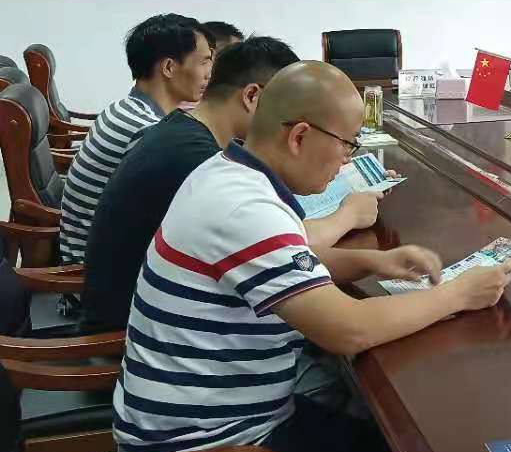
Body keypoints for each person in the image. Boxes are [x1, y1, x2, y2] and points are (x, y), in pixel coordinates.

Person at [112, 60, 511, 452]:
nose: (348, 159)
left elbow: (287, 258)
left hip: (216, 425)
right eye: (347, 144)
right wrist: (457, 295)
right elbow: (347, 330)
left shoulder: (229, 172)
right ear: (300, 136)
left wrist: (370, 262)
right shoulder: (244, 209)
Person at [82, 36, 362, 332]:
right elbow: (277, 239)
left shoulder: (185, 133)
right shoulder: (199, 161)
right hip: (127, 328)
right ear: (253, 97)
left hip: (149, 314)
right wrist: (350, 215)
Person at [58, 14, 214, 263]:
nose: (209, 73)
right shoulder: (147, 130)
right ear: (169, 68)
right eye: (204, 62)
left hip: (88, 253)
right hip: (98, 270)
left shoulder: (123, 107)